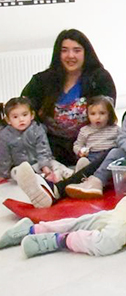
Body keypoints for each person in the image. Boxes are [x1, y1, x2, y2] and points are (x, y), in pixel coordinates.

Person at [22, 29, 117, 166]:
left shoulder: (100, 78)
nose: (70, 56)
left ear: (86, 53)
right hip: (51, 146)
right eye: (64, 50)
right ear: (58, 53)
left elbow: (107, 115)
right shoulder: (41, 80)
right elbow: (24, 110)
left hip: (91, 145)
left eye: (77, 50)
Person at [0, 98, 70, 207]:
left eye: (24, 115)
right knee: (16, 172)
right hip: (22, 166)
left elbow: (43, 149)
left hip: (40, 161)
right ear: (8, 120)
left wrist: (44, 166)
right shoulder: (4, 136)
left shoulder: (37, 130)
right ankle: (36, 184)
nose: (21, 119)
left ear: (32, 115)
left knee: (55, 164)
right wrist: (3, 173)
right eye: (15, 117)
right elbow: (4, 156)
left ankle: (68, 175)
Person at [72, 95, 119, 172]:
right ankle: (80, 178)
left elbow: (122, 142)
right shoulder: (85, 130)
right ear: (88, 115)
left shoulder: (115, 129)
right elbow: (77, 145)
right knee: (83, 161)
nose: (97, 117)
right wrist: (80, 151)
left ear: (109, 114)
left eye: (102, 113)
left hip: (109, 157)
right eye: (93, 114)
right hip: (92, 157)